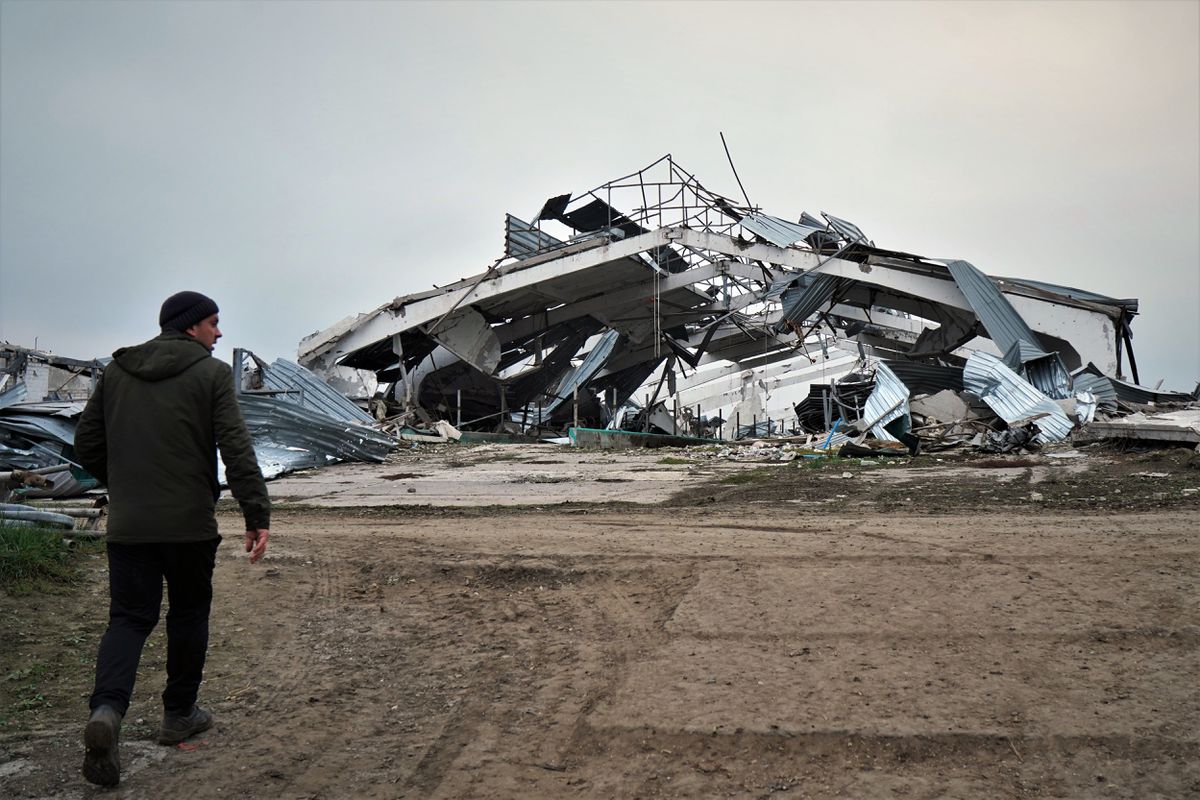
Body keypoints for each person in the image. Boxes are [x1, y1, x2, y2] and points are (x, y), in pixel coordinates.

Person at [74, 290, 271, 787]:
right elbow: (236, 446)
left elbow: (87, 446)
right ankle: (178, 713)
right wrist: (256, 512)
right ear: (190, 327)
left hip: (129, 527)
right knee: (187, 614)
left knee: (127, 619)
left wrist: (124, 484)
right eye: (213, 324)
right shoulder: (209, 375)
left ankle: (106, 712)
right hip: (188, 527)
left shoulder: (116, 373)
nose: (219, 333)